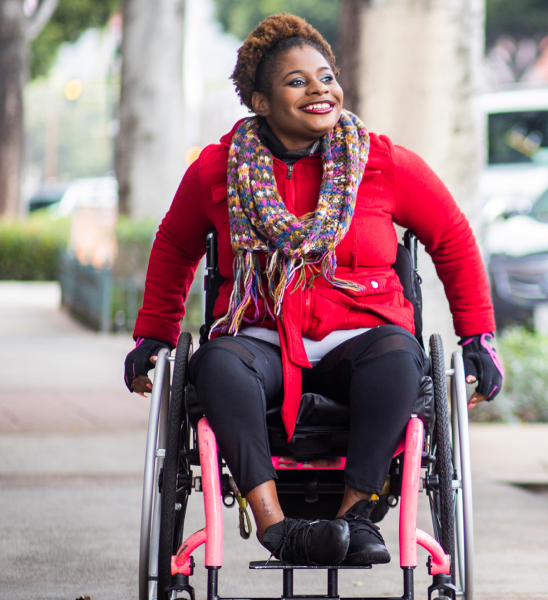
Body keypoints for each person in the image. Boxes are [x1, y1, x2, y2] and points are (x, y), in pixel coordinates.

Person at [124, 14, 503, 567]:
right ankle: (280, 528)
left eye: (325, 76)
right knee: (217, 366)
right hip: (262, 339)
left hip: (365, 339)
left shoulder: (382, 162)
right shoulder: (217, 171)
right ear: (260, 101)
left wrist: (479, 337)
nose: (319, 90)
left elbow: (452, 237)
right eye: (297, 81)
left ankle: (356, 516)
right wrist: (154, 336)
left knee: (402, 360)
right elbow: (175, 247)